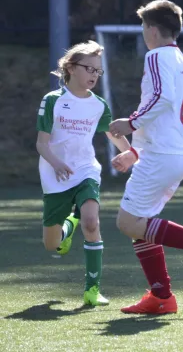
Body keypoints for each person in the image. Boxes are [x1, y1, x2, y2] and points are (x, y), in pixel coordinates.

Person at [108, 0, 183, 315]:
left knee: (128, 221)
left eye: (142, 27)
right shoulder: (178, 57)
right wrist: (136, 150)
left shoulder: (156, 55)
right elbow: (168, 109)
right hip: (170, 150)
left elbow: (163, 98)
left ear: (151, 29)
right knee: (140, 222)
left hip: (164, 154)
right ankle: (161, 297)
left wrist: (130, 123)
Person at [36, 40, 132, 306]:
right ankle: (68, 226)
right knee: (51, 244)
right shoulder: (53, 101)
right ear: (71, 68)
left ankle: (92, 289)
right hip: (55, 174)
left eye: (97, 71)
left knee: (92, 222)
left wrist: (131, 153)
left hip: (86, 170)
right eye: (88, 68)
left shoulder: (99, 105)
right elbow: (41, 144)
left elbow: (113, 135)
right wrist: (56, 163)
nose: (93, 75)